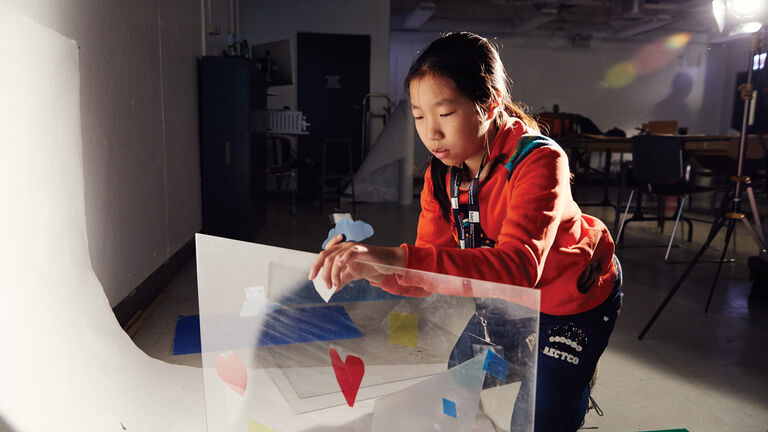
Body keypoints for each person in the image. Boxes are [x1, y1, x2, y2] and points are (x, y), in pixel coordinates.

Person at [308, 31, 622, 432]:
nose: (431, 133)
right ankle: (561, 382)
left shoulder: (540, 159)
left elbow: (520, 267)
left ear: (489, 103)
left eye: (446, 114)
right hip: (509, 303)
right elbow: (429, 276)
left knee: (540, 422)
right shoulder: (440, 176)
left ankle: (570, 384)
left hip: (572, 302)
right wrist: (375, 271)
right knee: (458, 383)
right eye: (419, 117)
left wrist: (395, 257)